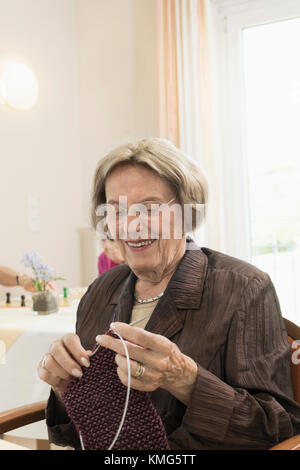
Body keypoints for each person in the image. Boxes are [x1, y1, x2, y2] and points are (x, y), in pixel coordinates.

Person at [38, 138, 300, 450]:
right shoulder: (101, 290)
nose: (132, 226)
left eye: (149, 208)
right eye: (116, 210)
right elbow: (73, 436)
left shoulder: (243, 288)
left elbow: (276, 428)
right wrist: (63, 386)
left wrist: (186, 378)